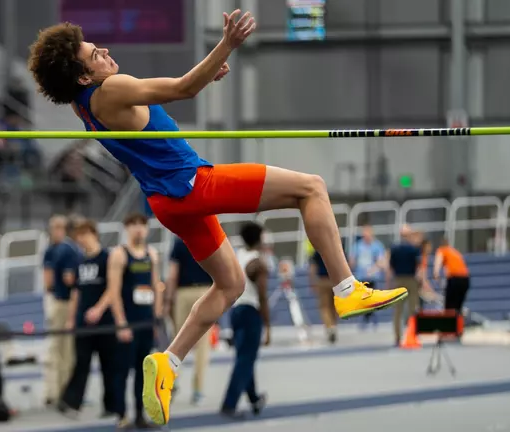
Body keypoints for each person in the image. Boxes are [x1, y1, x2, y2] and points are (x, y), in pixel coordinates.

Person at [28, 10, 408, 425]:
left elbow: (174, 90)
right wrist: (226, 44)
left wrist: (208, 71)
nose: (104, 51)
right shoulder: (112, 88)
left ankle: (168, 363)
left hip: (167, 203)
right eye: (94, 54)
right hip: (193, 185)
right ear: (84, 76)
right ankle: (347, 288)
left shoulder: (83, 106)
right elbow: (183, 88)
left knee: (231, 284)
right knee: (311, 188)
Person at [106, 214, 163, 428]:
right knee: (122, 370)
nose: (138, 229)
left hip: (146, 321)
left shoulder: (152, 254)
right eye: (134, 225)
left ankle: (140, 413)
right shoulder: (119, 255)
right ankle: (121, 415)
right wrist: (121, 322)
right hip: (128, 321)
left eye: (142, 225)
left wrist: (156, 319)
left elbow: (156, 286)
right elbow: (113, 291)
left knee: (144, 371)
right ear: (127, 229)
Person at [57, 220, 118, 419]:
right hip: (84, 323)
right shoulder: (80, 262)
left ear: (93, 234)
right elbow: (76, 292)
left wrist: (99, 309)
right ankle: (71, 402)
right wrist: (71, 319)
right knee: (81, 362)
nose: (81, 240)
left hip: (105, 322)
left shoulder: (107, 258)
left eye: (84, 235)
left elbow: (113, 288)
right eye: (78, 237)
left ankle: (112, 406)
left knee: (109, 364)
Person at [220, 222, 268, 418]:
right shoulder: (258, 263)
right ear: (259, 239)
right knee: (245, 360)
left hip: (236, 309)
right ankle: (229, 404)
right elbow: (263, 295)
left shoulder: (236, 257)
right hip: (250, 311)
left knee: (244, 357)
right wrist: (268, 325)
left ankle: (254, 398)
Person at [164, 236, 213, 404]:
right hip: (206, 292)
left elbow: (172, 274)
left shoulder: (180, 240)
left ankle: (170, 384)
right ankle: (198, 390)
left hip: (183, 294)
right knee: (203, 345)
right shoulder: (208, 237)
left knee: (178, 342)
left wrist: (168, 301)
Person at [42, 215, 80, 406]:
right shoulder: (62, 250)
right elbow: (59, 279)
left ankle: (59, 391)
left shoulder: (62, 250)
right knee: (61, 348)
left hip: (61, 300)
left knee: (61, 348)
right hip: (60, 301)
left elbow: (51, 278)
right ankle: (58, 392)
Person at [388, 226, 423, 345]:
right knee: (413, 308)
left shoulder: (395, 249)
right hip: (411, 279)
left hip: (398, 280)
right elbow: (419, 266)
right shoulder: (414, 249)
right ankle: (412, 334)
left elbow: (391, 267)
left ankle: (398, 337)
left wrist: (390, 282)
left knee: (398, 310)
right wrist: (420, 281)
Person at [348, 225, 387, 329]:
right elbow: (352, 259)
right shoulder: (358, 246)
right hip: (361, 276)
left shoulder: (377, 246)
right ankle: (367, 316)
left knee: (371, 297)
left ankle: (371, 316)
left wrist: (374, 269)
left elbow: (381, 260)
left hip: (372, 276)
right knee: (363, 298)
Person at [433, 238, 471, 318]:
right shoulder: (454, 252)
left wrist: (436, 274)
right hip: (465, 279)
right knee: (458, 306)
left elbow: (438, 261)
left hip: (455, 278)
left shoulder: (442, 250)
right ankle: (458, 323)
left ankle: (449, 323)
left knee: (449, 306)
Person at [309, 247, 338, 344]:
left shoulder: (318, 250)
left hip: (323, 280)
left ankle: (330, 327)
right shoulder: (336, 248)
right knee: (334, 306)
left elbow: (313, 267)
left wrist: (312, 281)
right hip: (335, 280)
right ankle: (333, 325)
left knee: (324, 307)